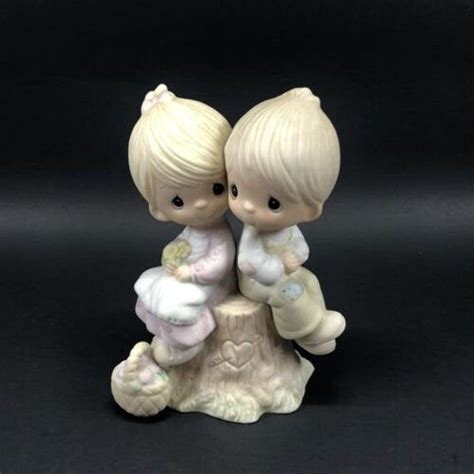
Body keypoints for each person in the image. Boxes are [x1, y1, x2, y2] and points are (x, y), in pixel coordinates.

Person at [225, 87, 345, 355]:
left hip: (283, 272)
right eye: (235, 189)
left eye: (272, 203)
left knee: (309, 280)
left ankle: (316, 325)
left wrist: (295, 258)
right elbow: (248, 262)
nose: (247, 206)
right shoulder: (254, 232)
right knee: (288, 292)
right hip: (257, 282)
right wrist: (280, 266)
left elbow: (300, 247)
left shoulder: (288, 228)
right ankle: (303, 332)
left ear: (311, 210)